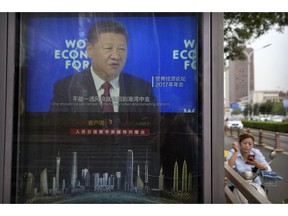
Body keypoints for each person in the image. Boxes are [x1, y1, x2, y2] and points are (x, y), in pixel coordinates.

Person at [49, 19, 158, 113]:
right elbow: (59, 132)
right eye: (108, 48)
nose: (116, 56)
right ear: (90, 50)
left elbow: (152, 133)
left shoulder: (142, 89)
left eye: (121, 49)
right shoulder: (66, 88)